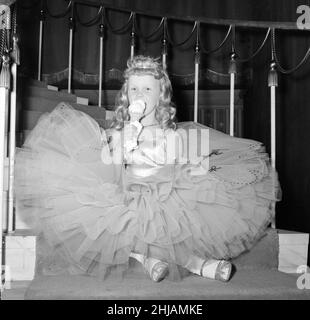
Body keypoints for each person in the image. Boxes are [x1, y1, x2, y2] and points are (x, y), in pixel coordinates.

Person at [15, 55, 281, 283]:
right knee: (123, 219)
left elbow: (174, 161)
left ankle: (192, 262)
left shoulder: (171, 134)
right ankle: (148, 258)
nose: (139, 96)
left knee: (173, 217)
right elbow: (110, 164)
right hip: (129, 189)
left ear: (160, 95)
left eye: (147, 90)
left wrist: (191, 169)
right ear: (126, 94)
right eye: (134, 90)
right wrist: (127, 138)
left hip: (164, 189)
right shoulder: (121, 130)